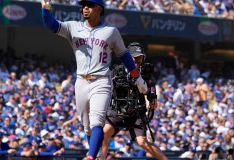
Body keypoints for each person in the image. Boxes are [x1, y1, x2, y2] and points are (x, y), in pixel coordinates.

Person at [40, 1, 148, 159]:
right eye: (83, 5)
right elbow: (52, 25)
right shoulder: (73, 27)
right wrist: (45, 9)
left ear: (99, 9)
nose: (85, 8)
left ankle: (90, 156)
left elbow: (124, 55)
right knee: (87, 128)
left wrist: (137, 77)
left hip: (102, 80)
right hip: (81, 82)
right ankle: (97, 156)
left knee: (97, 121)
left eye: (89, 5)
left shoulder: (110, 31)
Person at [101, 42, 167, 160]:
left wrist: (152, 99)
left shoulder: (145, 73)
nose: (137, 59)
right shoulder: (116, 71)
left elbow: (151, 89)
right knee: (105, 133)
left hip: (136, 112)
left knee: (142, 142)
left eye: (139, 57)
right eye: (134, 57)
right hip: (118, 109)